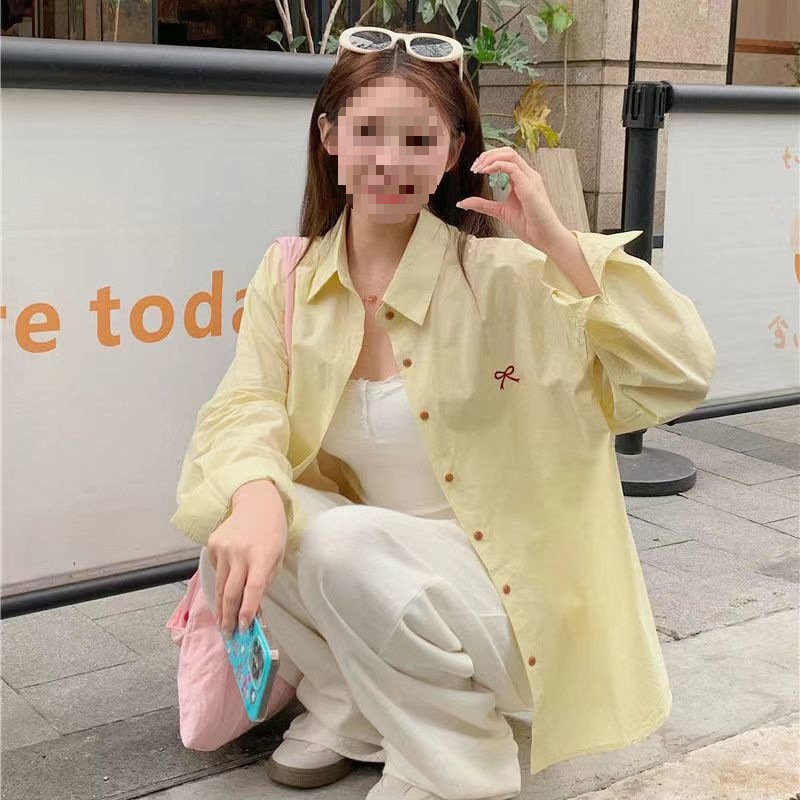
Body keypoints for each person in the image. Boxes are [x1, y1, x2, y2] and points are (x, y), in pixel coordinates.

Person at [170, 25, 717, 800]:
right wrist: (255, 495)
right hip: (368, 580)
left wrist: (559, 243)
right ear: (329, 137)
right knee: (234, 529)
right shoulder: (289, 275)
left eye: (419, 139)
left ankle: (455, 762)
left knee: (341, 543)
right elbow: (246, 400)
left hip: (498, 603)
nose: (390, 161)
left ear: (454, 149)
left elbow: (678, 373)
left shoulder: (505, 277)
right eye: (367, 131)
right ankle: (351, 707)